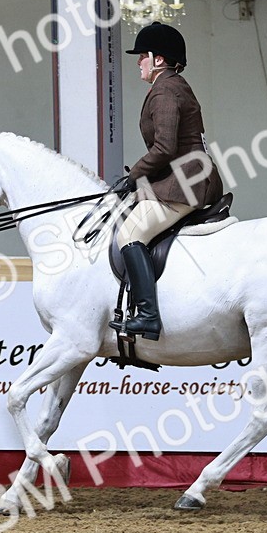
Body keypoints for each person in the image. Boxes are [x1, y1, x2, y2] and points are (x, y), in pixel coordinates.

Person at [108, 22, 223, 341]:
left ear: (159, 59)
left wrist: (132, 177)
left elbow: (165, 148)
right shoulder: (175, 85)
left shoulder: (165, 89)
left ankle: (147, 315)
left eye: (142, 55)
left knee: (129, 234)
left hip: (184, 180)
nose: (138, 61)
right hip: (189, 174)